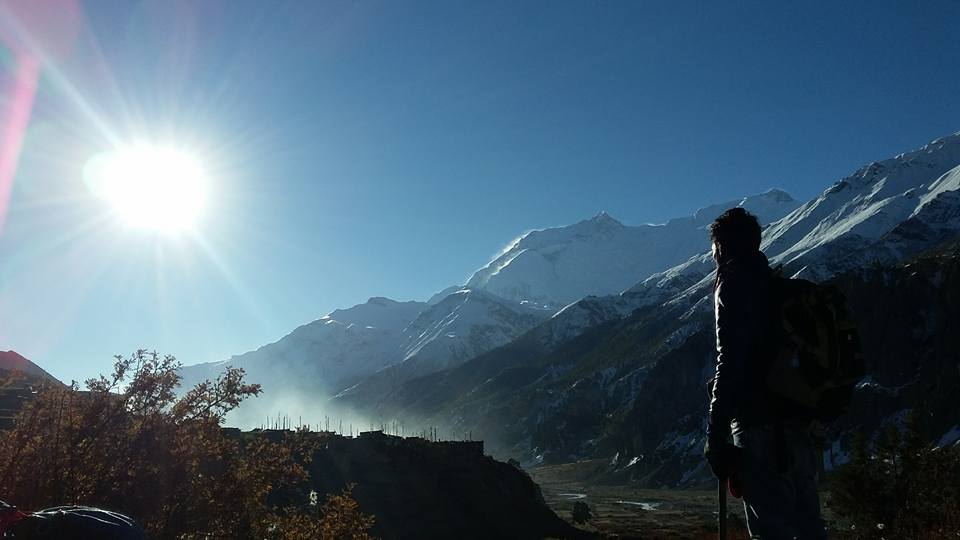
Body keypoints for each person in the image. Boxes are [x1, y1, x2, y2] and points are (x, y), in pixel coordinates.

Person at [704, 207, 827, 539]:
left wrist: (715, 438)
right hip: (798, 423)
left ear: (721, 247)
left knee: (771, 530)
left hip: (758, 426)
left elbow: (728, 361)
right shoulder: (777, 287)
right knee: (808, 525)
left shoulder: (731, 287)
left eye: (714, 247)